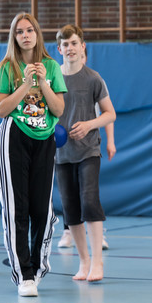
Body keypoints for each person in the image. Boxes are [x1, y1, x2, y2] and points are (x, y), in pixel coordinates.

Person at [0, 12, 67, 297]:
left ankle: (35, 268)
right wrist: (25, 83)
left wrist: (43, 82)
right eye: (19, 31)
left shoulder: (51, 66)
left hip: (45, 140)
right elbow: (0, 109)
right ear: (14, 37)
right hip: (14, 137)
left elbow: (58, 110)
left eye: (30, 30)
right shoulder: (6, 67)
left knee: (41, 211)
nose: (25, 35)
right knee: (17, 209)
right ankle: (23, 274)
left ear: (37, 33)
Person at [55, 24, 116, 281]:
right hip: (61, 155)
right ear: (59, 49)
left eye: (74, 43)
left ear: (83, 47)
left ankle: (98, 264)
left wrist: (90, 125)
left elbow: (110, 113)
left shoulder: (93, 78)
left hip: (89, 150)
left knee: (89, 201)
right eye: (65, 44)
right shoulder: (52, 79)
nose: (70, 48)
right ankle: (84, 262)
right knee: (70, 209)